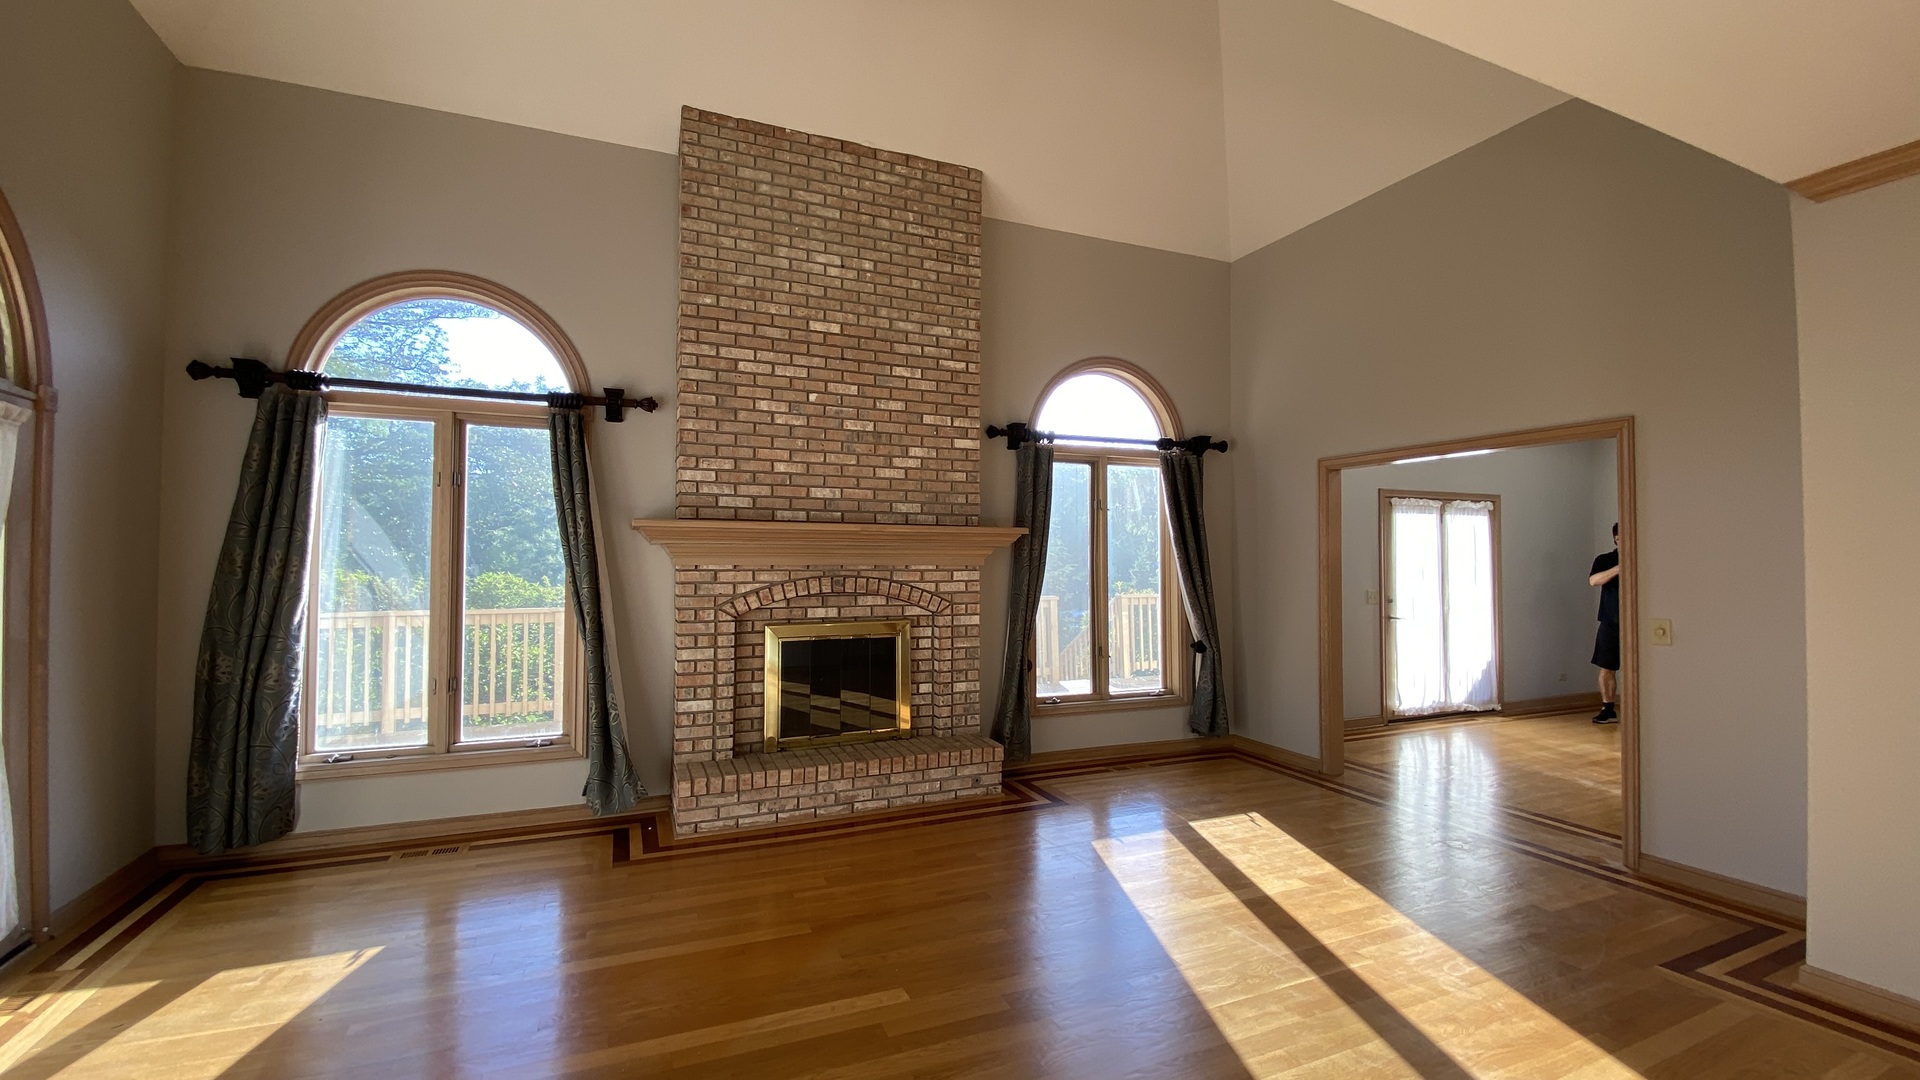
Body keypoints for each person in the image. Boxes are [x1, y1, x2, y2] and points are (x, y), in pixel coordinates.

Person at [1588, 524, 1621, 724]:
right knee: (1607, 667)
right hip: (1610, 621)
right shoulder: (1604, 559)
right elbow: (1594, 580)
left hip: (1638, 623)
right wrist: (1620, 567)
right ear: (1616, 538)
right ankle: (1608, 708)